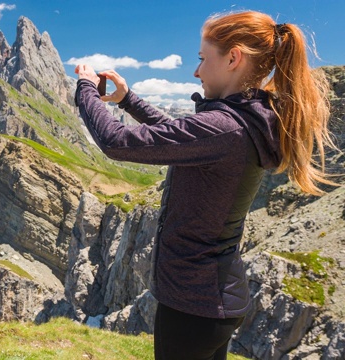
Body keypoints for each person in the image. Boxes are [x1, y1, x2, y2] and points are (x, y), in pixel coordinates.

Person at [73, 10, 336, 360]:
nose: (196, 71)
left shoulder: (225, 128)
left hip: (192, 303)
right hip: (215, 299)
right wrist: (127, 100)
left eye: (201, 59)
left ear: (233, 58)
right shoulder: (243, 123)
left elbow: (115, 141)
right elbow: (181, 137)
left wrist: (85, 88)